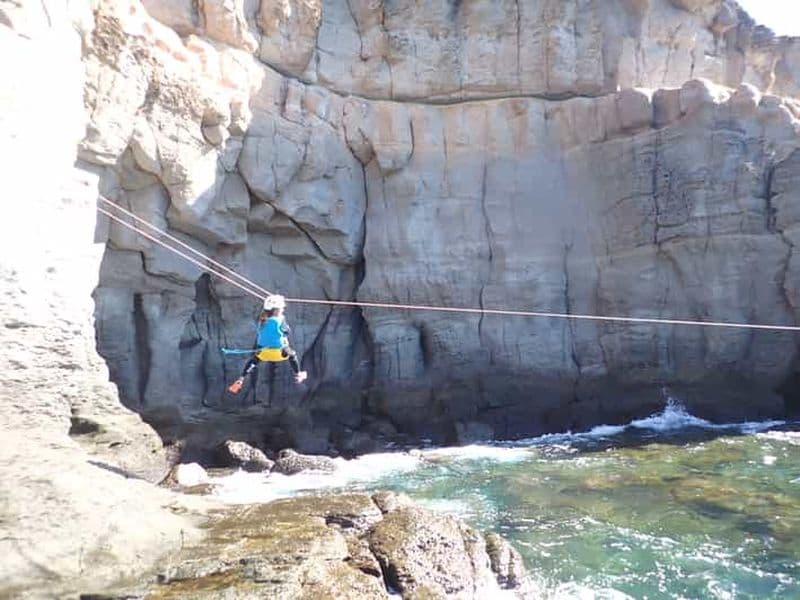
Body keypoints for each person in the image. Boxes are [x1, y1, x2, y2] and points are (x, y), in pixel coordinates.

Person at [227, 294, 307, 394]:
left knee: (253, 361)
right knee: (293, 355)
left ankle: (241, 378)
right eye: (281, 308)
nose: (283, 310)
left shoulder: (261, 320)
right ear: (276, 310)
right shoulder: (280, 320)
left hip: (262, 352)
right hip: (279, 352)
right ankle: (298, 374)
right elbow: (287, 332)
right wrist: (283, 319)